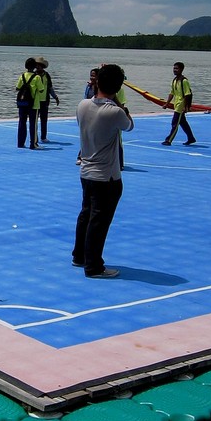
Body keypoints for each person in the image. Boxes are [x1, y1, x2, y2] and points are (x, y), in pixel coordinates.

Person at [72, 63, 133, 278]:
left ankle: (79, 256)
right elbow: (129, 125)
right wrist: (117, 99)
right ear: (117, 87)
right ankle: (94, 266)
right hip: (106, 176)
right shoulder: (114, 112)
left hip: (87, 172)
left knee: (86, 215)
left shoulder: (82, 105)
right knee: (99, 221)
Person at [161, 61, 196, 146]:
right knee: (183, 122)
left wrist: (185, 106)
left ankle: (169, 140)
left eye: (176, 68)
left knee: (175, 122)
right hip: (176, 104)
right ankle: (191, 138)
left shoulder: (184, 81)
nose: (174, 70)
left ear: (181, 69)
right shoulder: (174, 80)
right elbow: (172, 93)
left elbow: (188, 94)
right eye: (174, 68)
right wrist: (167, 103)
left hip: (181, 105)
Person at [15, 57, 43, 149]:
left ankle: (20, 143)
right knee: (33, 124)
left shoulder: (22, 76)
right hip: (33, 104)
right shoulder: (37, 77)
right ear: (34, 66)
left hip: (22, 103)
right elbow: (41, 90)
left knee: (22, 122)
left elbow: (17, 88)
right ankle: (33, 144)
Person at [34, 56, 59, 143]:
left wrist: (55, 97)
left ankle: (43, 137)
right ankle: (34, 137)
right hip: (35, 101)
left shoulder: (47, 75)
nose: (37, 67)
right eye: (36, 65)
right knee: (35, 121)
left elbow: (50, 88)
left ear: (43, 66)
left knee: (44, 120)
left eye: (39, 65)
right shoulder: (33, 75)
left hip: (44, 101)